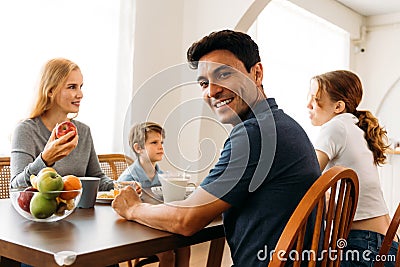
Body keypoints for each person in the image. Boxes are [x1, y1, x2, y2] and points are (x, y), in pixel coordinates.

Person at [112, 29, 321, 266]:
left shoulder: (257, 134)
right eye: (203, 83)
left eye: (224, 75)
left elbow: (186, 220)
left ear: (257, 73)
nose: (211, 91)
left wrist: (133, 209)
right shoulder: (282, 126)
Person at [307, 70, 399, 266]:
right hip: (388, 245)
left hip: (364, 246)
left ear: (338, 106)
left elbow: (307, 175)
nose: (308, 105)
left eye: (315, 99)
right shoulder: (357, 128)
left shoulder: (335, 127)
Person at [118, 121, 190, 267]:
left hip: (157, 226)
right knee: (167, 254)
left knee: (184, 246)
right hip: (134, 231)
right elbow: (120, 206)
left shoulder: (163, 177)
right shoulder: (129, 179)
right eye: (154, 142)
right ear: (138, 148)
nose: (160, 147)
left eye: (161, 142)